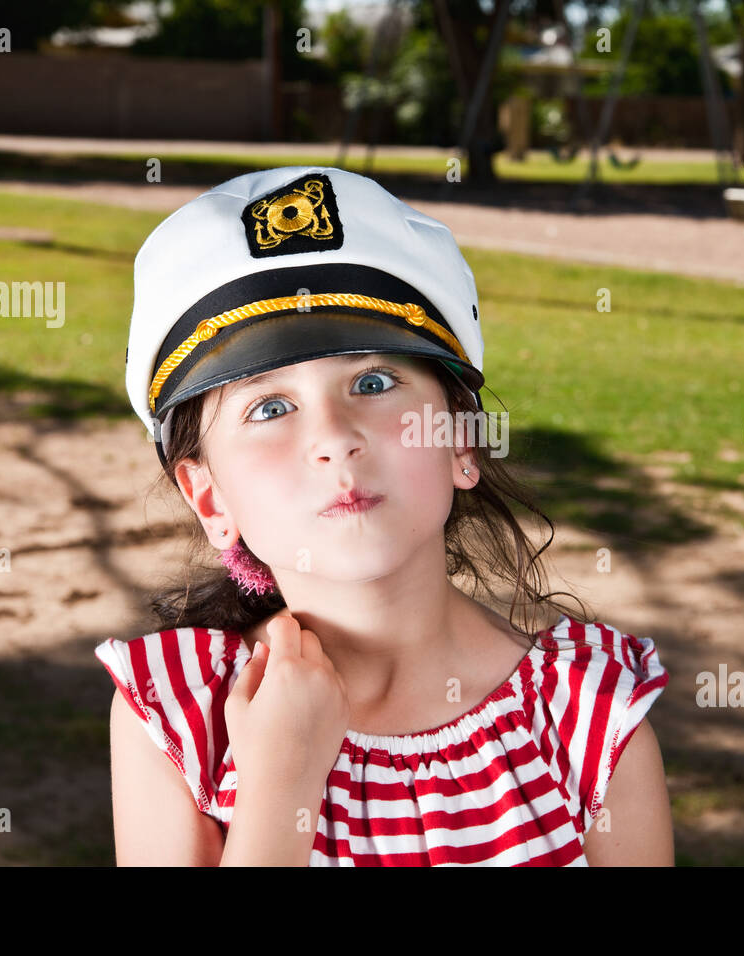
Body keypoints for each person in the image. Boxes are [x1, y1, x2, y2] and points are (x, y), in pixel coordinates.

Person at [95, 166, 672, 866]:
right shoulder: (178, 720)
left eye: (373, 382)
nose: (335, 436)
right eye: (270, 408)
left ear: (461, 439)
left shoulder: (588, 719)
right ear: (211, 500)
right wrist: (281, 787)